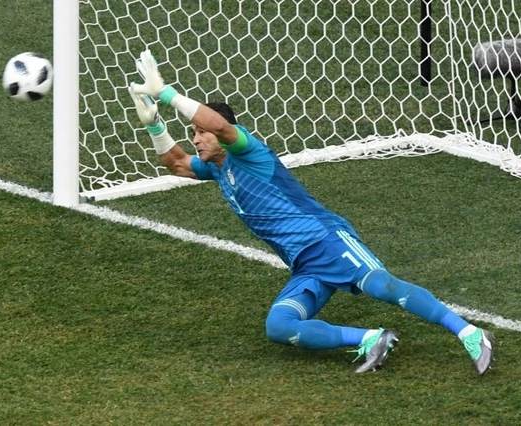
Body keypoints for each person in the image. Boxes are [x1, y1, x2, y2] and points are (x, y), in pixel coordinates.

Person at [129, 49, 494, 375]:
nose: (195, 139)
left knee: (383, 286)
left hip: (326, 240)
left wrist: (167, 94)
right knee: (279, 325)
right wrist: (154, 125)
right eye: (192, 133)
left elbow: (221, 127)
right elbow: (176, 164)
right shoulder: (217, 168)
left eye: (198, 133)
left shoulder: (248, 153)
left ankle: (470, 332)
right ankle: (371, 339)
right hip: (305, 263)